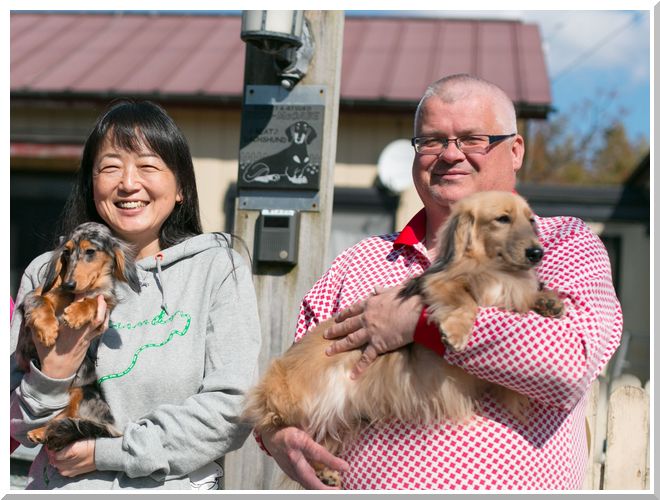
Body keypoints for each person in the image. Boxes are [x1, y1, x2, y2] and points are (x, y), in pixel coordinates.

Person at [258, 74, 622, 490]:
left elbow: (567, 363)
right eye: (432, 141)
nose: (451, 155)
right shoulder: (359, 262)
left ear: (515, 150)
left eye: (472, 139)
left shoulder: (561, 243)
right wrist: (275, 435)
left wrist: (419, 322)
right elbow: (292, 375)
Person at [10, 101, 262, 489]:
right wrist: (58, 366)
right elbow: (16, 423)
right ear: (91, 185)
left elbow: (232, 409)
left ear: (180, 187)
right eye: (110, 167)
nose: (128, 183)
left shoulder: (215, 270)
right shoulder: (47, 272)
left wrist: (105, 453)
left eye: (148, 166)